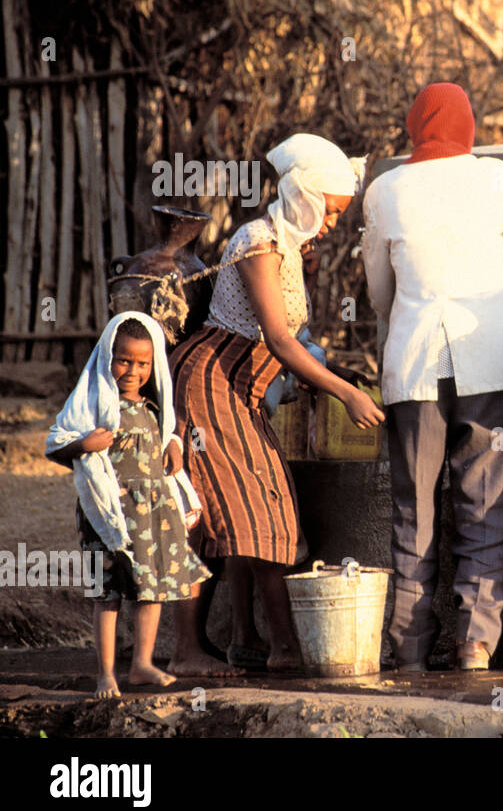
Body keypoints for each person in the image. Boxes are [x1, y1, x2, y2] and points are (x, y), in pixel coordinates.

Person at [363, 83, 503, 672]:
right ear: (469, 127)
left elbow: (379, 293)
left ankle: (409, 646)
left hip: (416, 369)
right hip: (488, 362)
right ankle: (475, 640)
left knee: (413, 506)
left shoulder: (384, 190)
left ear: (413, 128)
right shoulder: (495, 178)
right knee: (486, 500)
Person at [171, 133, 382, 674]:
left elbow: (294, 338)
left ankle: (259, 645)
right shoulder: (256, 243)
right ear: (305, 196)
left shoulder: (287, 248)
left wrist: (331, 371)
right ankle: (222, 650)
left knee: (255, 514)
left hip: (243, 390)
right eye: (331, 210)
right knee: (253, 514)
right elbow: (282, 340)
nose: (333, 223)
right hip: (211, 383)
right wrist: (346, 392)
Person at [46, 313, 212, 698]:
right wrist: (82, 445)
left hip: (152, 515)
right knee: (107, 594)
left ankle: (142, 664)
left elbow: (168, 436)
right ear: (107, 357)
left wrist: (174, 445)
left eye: (142, 363)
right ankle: (106, 673)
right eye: (124, 360)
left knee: (149, 591)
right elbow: (56, 442)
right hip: (110, 516)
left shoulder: (155, 406)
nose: (132, 370)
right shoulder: (93, 404)